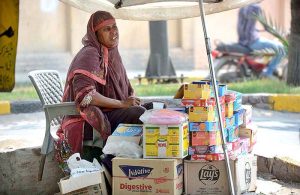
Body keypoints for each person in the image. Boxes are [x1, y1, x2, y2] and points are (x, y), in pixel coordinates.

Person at [56, 11, 147, 154]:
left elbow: (125, 90)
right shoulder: (90, 54)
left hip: (110, 112)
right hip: (88, 121)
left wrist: (130, 101)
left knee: (154, 109)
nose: (113, 32)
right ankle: (135, 163)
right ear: (95, 34)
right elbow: (86, 96)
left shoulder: (112, 53)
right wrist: (123, 104)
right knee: (140, 114)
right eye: (106, 29)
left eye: (115, 27)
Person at [237, 3, 285, 77]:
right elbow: (265, 24)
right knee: (281, 48)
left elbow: (244, 26)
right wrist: (271, 30)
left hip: (242, 40)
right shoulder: (255, 7)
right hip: (252, 41)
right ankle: (268, 73)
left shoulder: (242, 7)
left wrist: (256, 30)